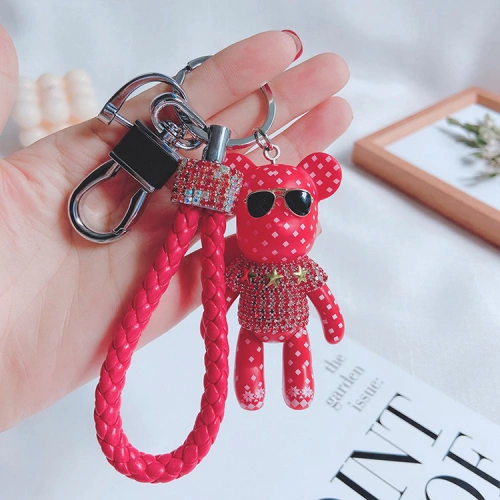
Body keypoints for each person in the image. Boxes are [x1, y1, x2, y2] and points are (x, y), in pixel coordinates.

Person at [0, 27, 351, 432]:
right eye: (259, 204)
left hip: (292, 326)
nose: (282, 218)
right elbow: (222, 297)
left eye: (298, 203)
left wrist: (331, 322)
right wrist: (215, 318)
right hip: (248, 328)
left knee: (294, 347)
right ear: (240, 195)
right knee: (248, 350)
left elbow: (318, 296)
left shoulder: (300, 269)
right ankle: (253, 385)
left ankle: (298, 383)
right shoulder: (238, 238)